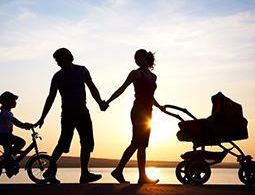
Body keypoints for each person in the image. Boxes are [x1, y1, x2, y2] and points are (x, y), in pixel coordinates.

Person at [35, 47, 108, 184]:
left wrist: (99, 103)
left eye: (59, 60)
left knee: (87, 143)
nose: (57, 63)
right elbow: (50, 97)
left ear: (68, 57)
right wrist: (42, 117)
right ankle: (49, 171)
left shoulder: (82, 70)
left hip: (83, 113)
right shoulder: (57, 76)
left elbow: (92, 87)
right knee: (63, 144)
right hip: (68, 115)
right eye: (56, 61)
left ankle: (84, 174)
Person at [105, 49, 165, 184]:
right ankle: (118, 170)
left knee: (142, 146)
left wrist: (160, 106)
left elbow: (150, 97)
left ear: (146, 58)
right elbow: (122, 88)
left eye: (139, 57)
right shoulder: (135, 74)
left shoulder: (153, 77)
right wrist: (108, 101)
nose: (136, 60)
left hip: (148, 113)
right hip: (138, 111)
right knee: (136, 142)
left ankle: (142, 177)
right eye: (135, 58)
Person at [0, 91, 32, 177]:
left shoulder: (8, 112)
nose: (15, 102)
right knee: (21, 142)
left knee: (10, 154)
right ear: (7, 102)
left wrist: (24, 125)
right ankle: (8, 161)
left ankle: (8, 162)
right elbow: (14, 121)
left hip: (7, 135)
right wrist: (24, 125)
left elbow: (14, 120)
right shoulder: (5, 113)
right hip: (5, 136)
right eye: (13, 100)